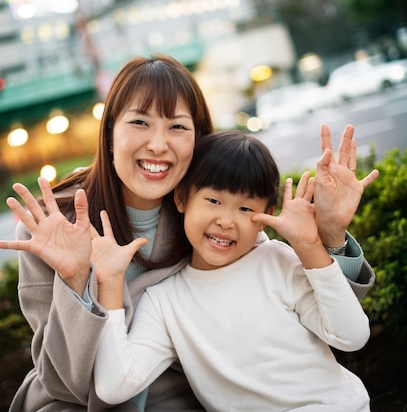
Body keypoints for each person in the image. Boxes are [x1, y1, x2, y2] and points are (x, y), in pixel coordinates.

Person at [0, 53, 379, 411]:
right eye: (140, 122)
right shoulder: (55, 226)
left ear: (198, 137)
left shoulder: (207, 210)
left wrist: (329, 236)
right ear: (110, 131)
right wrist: (77, 282)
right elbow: (68, 382)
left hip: (182, 394)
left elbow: (321, 310)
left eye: (177, 126)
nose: (158, 145)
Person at [93, 130, 371, 411]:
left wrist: (310, 247)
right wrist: (110, 282)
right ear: (181, 198)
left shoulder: (276, 260)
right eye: (213, 201)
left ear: (264, 219)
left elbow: (352, 336)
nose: (226, 221)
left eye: (245, 208)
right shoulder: (164, 302)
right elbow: (114, 386)